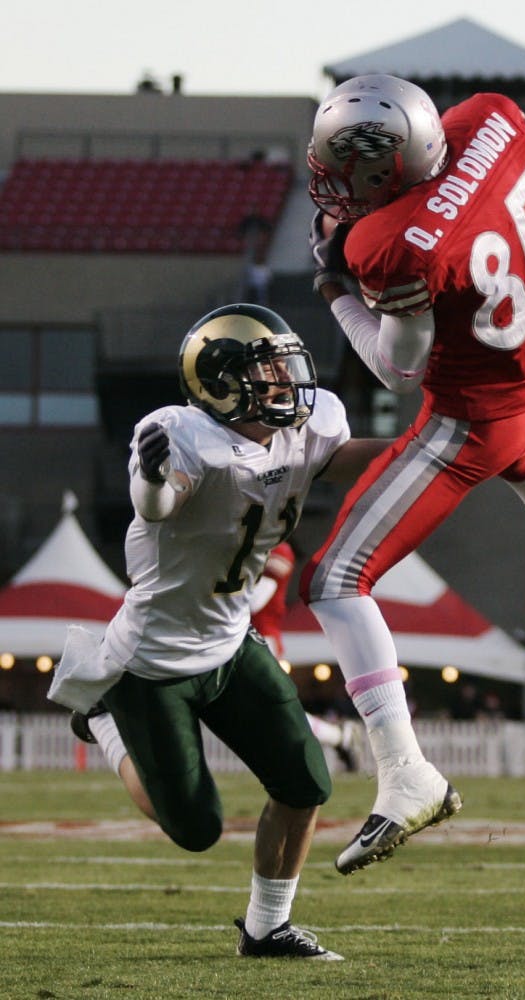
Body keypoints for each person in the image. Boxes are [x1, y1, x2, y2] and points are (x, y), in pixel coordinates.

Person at [302, 74, 525, 875]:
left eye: (345, 167)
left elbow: (397, 367)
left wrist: (335, 286)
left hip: (472, 421)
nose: (331, 181)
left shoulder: (387, 246)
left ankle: (407, 776)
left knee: (334, 580)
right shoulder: (494, 119)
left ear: (383, 169)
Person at [48, 302, 388, 960]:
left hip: (232, 646)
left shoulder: (302, 431)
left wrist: (441, 448)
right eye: (267, 368)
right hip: (152, 665)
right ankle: (104, 719)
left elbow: (352, 459)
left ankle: (267, 928)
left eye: (285, 364)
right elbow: (161, 499)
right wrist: (148, 478)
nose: (286, 380)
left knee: (306, 785)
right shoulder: (181, 434)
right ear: (221, 380)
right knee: (196, 826)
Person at [249, 540, 364, 771]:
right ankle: (339, 737)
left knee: (273, 713)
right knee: (267, 714)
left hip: (261, 640)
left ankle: (338, 737)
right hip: (239, 639)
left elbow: (254, 601)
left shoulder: (279, 549)